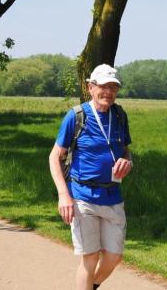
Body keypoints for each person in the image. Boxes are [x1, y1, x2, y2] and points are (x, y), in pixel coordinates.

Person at [49, 64, 133, 290]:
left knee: (115, 255)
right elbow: (54, 157)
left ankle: (91, 285)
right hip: (82, 197)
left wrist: (128, 161)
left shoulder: (120, 115)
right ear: (91, 87)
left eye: (113, 88)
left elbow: (125, 149)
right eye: (104, 86)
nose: (109, 92)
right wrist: (63, 196)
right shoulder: (76, 116)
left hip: (113, 195)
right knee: (90, 257)